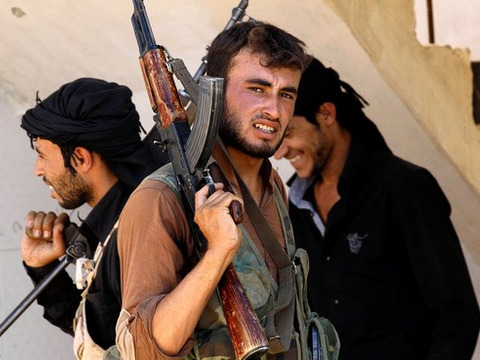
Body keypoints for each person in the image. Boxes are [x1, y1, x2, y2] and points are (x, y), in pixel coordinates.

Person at [115, 21, 312, 360]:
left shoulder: (273, 185)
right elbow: (144, 350)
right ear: (213, 93)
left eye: (286, 94)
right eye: (258, 89)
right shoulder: (159, 199)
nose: (274, 110)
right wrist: (218, 252)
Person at [274, 57, 480, 359]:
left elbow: (457, 315)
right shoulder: (294, 207)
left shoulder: (404, 188)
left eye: (289, 133)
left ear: (327, 114)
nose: (280, 151)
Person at [20, 77, 167, 359]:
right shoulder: (112, 228)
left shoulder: (137, 231)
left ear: (81, 158)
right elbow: (102, 335)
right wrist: (41, 268)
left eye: (42, 156)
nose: (38, 170)